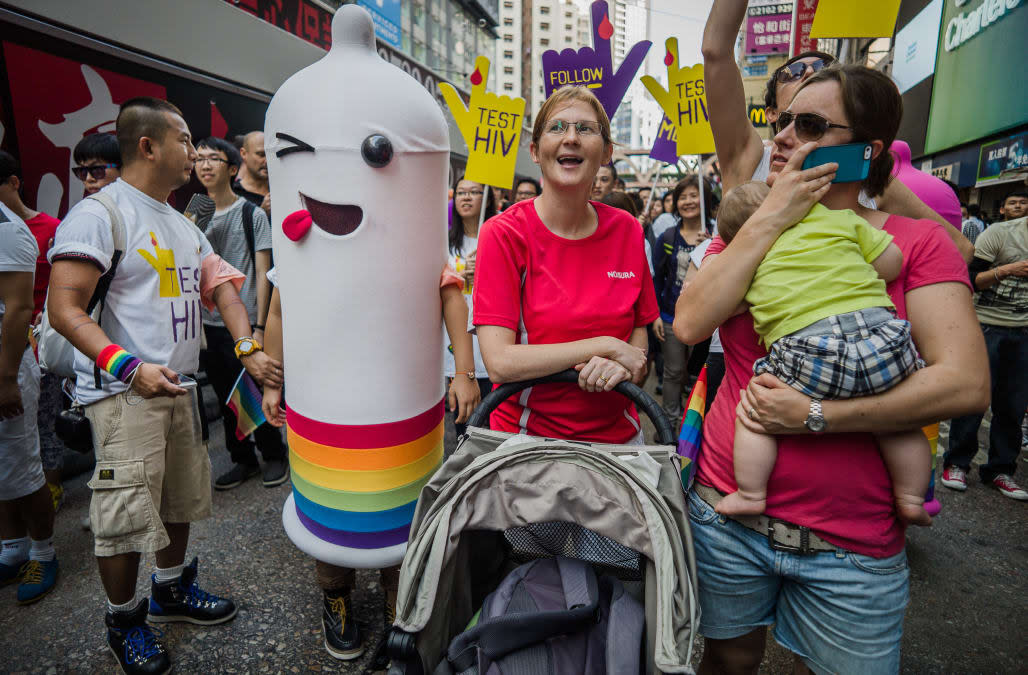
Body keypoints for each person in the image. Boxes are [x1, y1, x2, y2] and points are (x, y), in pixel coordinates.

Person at [675, 63, 989, 674]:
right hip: (727, 519)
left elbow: (966, 382)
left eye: (810, 124)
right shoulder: (747, 230)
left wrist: (815, 414)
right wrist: (773, 215)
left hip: (853, 546)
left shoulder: (914, 244)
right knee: (726, 661)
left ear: (865, 150)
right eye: (782, 119)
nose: (785, 135)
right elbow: (689, 324)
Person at [46, 97, 283, 675]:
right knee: (125, 516)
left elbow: (223, 286)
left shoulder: (181, 221)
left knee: (177, 498)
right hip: (125, 396)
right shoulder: (102, 215)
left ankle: (171, 590)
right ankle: (123, 621)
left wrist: (248, 346)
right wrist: (129, 367)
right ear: (148, 146)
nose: (196, 152)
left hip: (176, 388)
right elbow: (64, 307)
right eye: (184, 139)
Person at [261, 258, 479, 660]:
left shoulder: (411, 231)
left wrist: (463, 372)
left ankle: (400, 607)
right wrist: (273, 383)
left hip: (400, 402)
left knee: (401, 510)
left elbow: (452, 297)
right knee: (331, 509)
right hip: (323, 402)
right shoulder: (303, 243)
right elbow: (279, 309)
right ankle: (336, 597)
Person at [713, 181, 932, 525]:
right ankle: (911, 498)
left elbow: (729, 306)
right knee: (898, 423)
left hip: (809, 352)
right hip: (882, 339)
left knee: (755, 416)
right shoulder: (840, 220)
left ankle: (751, 494)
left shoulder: (748, 258)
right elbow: (892, 264)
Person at [701, 0, 974, 262]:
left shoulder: (862, 175)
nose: (809, 74)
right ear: (772, 113)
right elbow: (716, 50)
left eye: (822, 68)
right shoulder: (752, 157)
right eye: (794, 71)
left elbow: (958, 249)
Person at [474, 86, 657, 444]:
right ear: (535, 151)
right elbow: (499, 360)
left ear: (606, 153)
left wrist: (624, 362)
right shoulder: (503, 234)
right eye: (557, 127)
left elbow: (639, 332)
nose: (571, 137)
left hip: (621, 444)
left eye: (586, 129)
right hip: (527, 444)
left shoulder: (628, 230)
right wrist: (604, 345)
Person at [193, 136, 285, 489]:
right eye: (198, 158)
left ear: (233, 169)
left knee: (253, 389)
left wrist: (260, 325)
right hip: (210, 323)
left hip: (245, 318)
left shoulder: (251, 213)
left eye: (212, 159)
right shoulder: (194, 211)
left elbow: (264, 272)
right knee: (221, 390)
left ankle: (274, 454)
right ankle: (242, 459)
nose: (203, 164)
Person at [943, 191, 1028, 500]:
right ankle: (957, 463)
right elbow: (969, 277)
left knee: (1013, 405)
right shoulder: (1000, 235)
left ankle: (1000, 470)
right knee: (974, 398)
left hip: (1024, 332)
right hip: (986, 326)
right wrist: (1007, 270)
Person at [0, 200, 59, 605]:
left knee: (22, 464)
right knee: (2, 471)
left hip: (7, 363)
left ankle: (43, 552)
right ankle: (12, 548)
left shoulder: (8, 228)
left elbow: (20, 308)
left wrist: (6, 379)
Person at [0, 151, 66, 507]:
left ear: (14, 183)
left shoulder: (51, 228)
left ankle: (51, 488)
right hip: (15, 339)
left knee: (46, 418)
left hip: (45, 335)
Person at [651, 175, 713, 422]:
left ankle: (695, 425)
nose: (688, 201)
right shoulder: (667, 237)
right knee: (673, 371)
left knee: (700, 374)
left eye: (693, 195)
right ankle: (669, 424)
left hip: (708, 319)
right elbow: (656, 278)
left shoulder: (720, 232)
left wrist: (713, 246)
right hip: (670, 316)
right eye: (682, 197)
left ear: (704, 199)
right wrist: (654, 313)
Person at [446, 175, 496, 437]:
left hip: (490, 336)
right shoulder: (443, 242)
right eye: (461, 192)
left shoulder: (498, 237)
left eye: (474, 192)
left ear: (485, 199)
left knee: (496, 422)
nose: (466, 197)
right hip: (458, 341)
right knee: (464, 422)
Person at [234, 130, 270, 216]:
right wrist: (261, 213)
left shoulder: (281, 189)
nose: (266, 161)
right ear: (243, 154)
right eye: (261, 154)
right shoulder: (234, 194)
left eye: (270, 155)